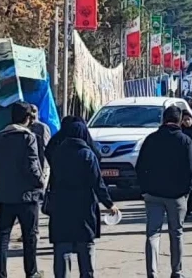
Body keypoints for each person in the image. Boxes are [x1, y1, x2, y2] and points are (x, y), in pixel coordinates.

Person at [47, 118, 118, 278]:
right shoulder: (87, 155)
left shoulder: (57, 154)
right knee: (85, 248)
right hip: (84, 207)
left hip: (61, 206)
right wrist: (109, 203)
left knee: (62, 248)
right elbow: (97, 183)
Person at [0, 102, 44, 278]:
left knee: (3, 236)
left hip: (6, 195)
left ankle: (0, 274)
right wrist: (40, 183)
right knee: (29, 236)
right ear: (27, 119)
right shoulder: (28, 138)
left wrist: (2, 181)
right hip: (28, 196)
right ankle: (31, 272)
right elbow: (33, 166)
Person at [136, 104, 192, 278]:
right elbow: (191, 168)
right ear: (179, 121)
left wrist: (144, 189)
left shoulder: (151, 139)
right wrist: (187, 191)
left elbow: (140, 166)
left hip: (153, 194)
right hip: (177, 195)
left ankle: (152, 273)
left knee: (152, 234)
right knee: (176, 233)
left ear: (163, 119)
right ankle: (176, 271)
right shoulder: (185, 140)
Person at [28, 104, 53, 185]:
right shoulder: (25, 128)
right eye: (30, 112)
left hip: (42, 167)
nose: (32, 114)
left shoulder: (42, 128)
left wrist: (44, 170)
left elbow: (45, 149)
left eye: (34, 111)